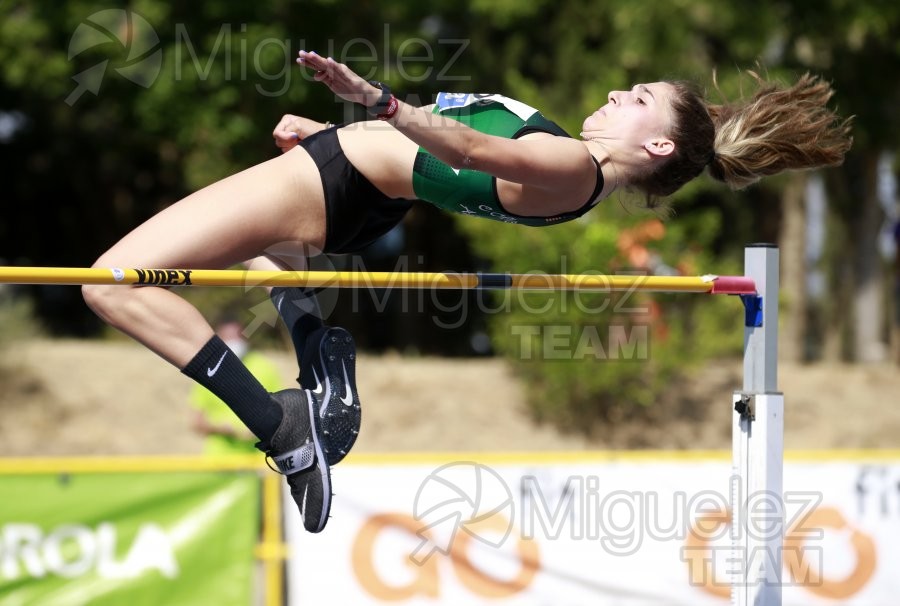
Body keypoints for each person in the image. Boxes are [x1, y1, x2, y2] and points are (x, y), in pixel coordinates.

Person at [82, 49, 852, 533]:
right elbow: (445, 162)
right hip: (343, 179)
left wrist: (374, 103)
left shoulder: (574, 169)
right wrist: (333, 130)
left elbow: (469, 144)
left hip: (331, 184)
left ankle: (283, 428)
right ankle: (322, 362)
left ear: (655, 145)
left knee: (111, 285)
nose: (620, 92)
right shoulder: (565, 156)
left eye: (639, 97)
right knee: (264, 261)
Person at [190, 319, 285, 456]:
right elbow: (197, 422)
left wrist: (261, 428)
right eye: (228, 337)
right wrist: (221, 429)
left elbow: (282, 409)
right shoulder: (208, 370)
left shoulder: (264, 366)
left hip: (257, 460)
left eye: (236, 337)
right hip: (219, 460)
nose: (234, 342)